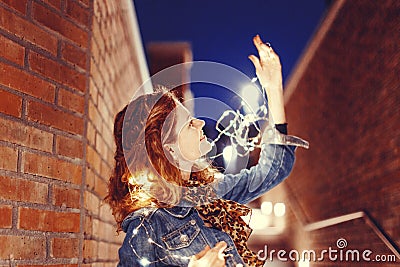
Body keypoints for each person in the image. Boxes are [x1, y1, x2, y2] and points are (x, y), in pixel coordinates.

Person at [106, 35, 297, 267]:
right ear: (169, 151)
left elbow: (273, 169)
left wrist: (274, 89)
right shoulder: (147, 227)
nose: (200, 123)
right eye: (188, 124)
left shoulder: (208, 195)